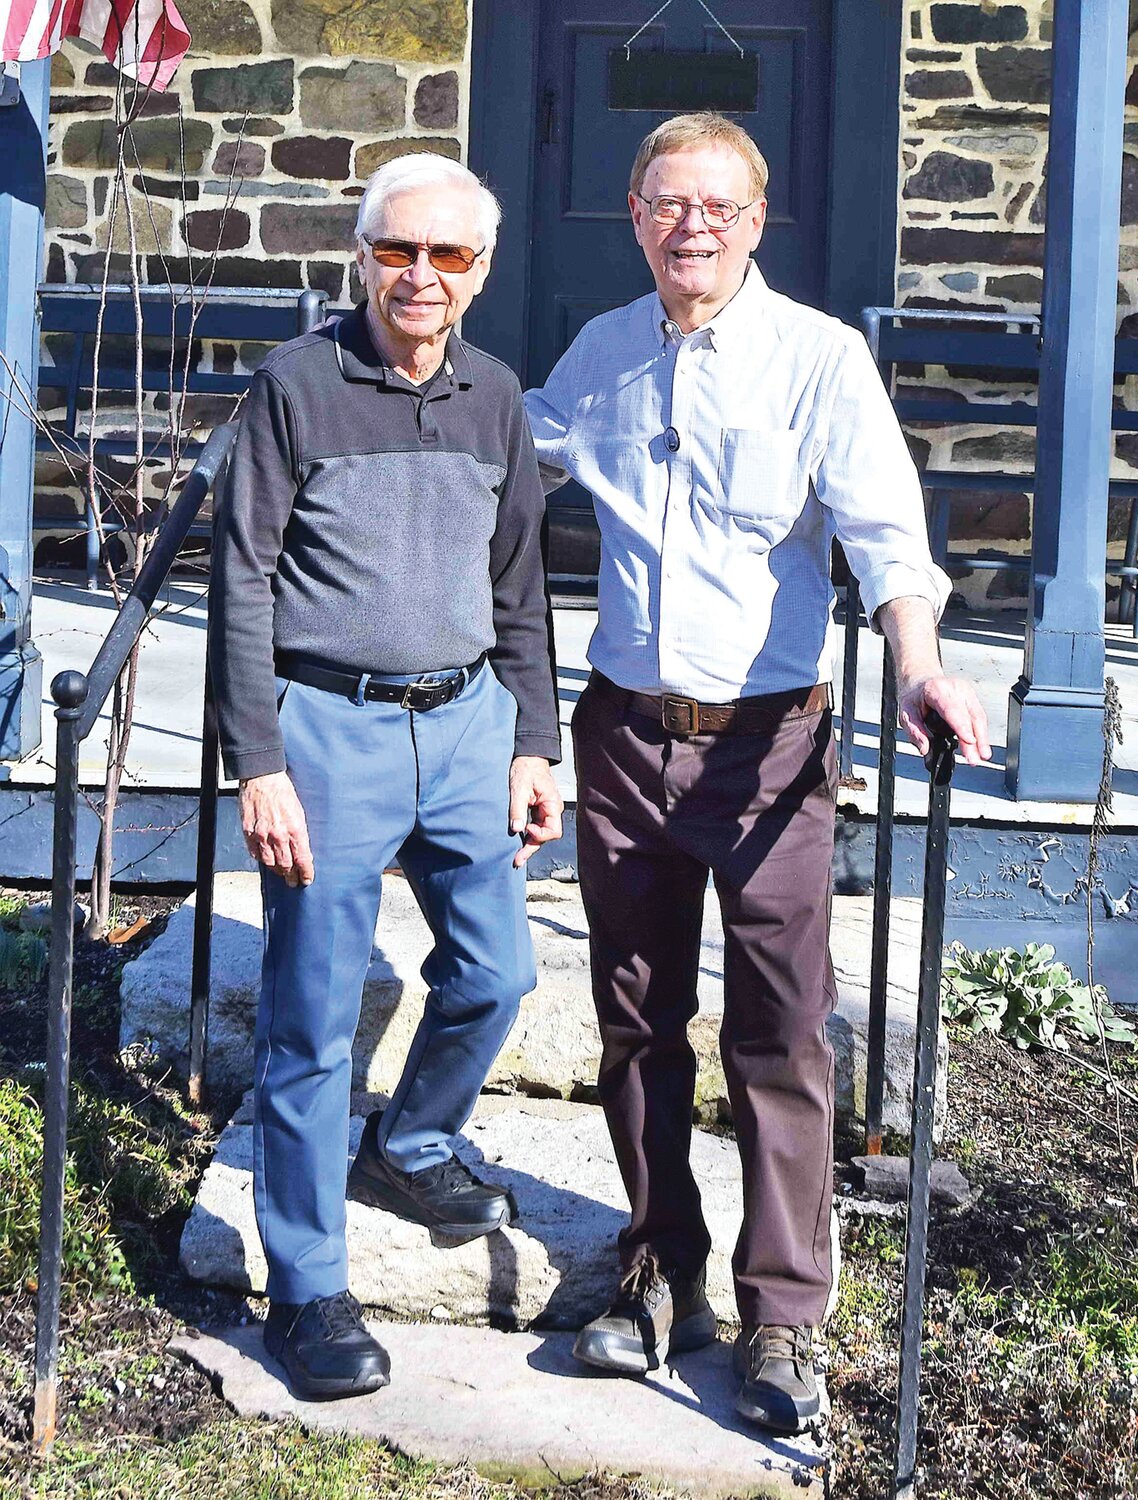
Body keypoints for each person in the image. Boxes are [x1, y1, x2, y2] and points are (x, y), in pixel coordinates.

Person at [524, 113, 989, 1435]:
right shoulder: (600, 354)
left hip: (769, 744)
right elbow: (514, 446)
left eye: (718, 209)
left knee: (779, 1030)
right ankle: (658, 1274)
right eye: (671, 204)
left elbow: (887, 539)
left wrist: (918, 668)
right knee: (634, 1023)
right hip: (620, 732)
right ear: (632, 212)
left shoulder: (817, 359)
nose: (693, 229)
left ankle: (782, 1321)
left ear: (757, 218)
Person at [210, 153, 563, 1402]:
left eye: (447, 256)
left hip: (467, 724)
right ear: (361, 257)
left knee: (499, 968)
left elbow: (519, 584)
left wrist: (534, 740)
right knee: (308, 1022)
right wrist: (258, 762)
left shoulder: (495, 395)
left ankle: (410, 1139)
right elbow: (241, 579)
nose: (420, 276)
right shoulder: (295, 384)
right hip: (327, 730)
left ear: (481, 270)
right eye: (396, 251)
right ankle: (307, 1285)